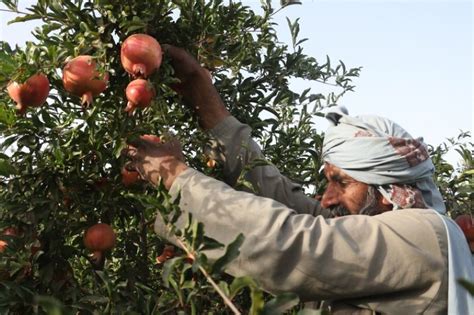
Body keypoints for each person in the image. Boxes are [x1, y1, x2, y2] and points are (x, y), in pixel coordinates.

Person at [124, 45, 474, 314]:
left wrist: (175, 175)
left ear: (387, 191)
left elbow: (289, 243)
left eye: (342, 182)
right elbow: (275, 194)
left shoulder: (425, 234)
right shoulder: (368, 225)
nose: (327, 198)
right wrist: (207, 99)